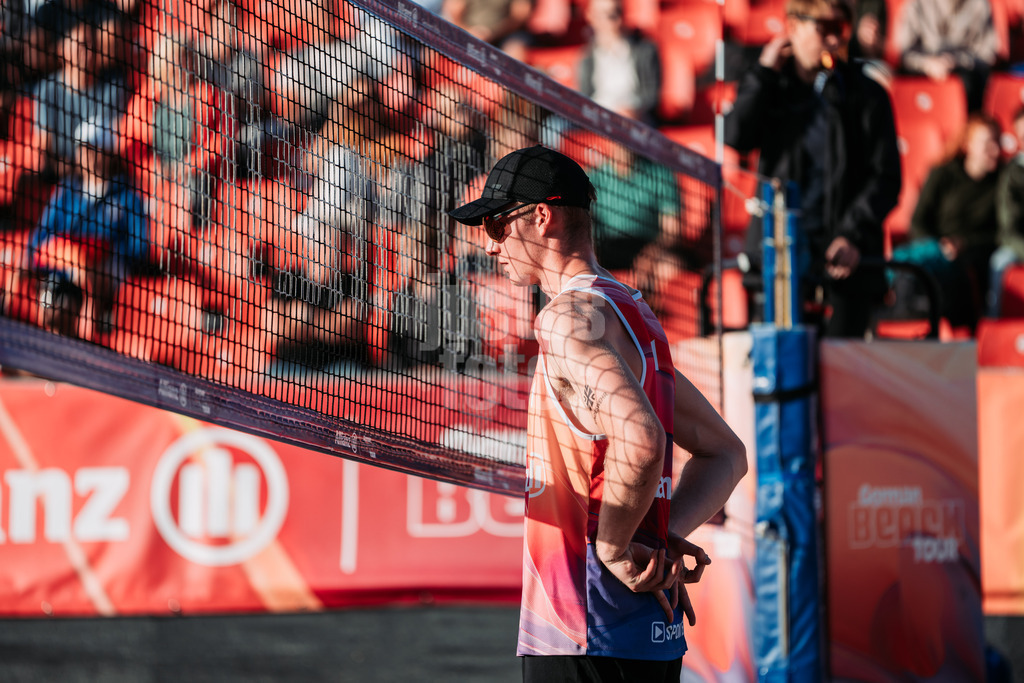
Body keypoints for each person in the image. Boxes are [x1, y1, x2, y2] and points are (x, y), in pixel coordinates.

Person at [447, 145, 747, 680]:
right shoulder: (634, 312)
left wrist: (613, 545)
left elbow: (642, 440)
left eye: (494, 225)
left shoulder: (567, 319)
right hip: (646, 630)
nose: (489, 246)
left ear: (541, 217)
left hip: (585, 627)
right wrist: (658, 536)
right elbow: (726, 453)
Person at [724, 0, 901, 338]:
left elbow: (887, 177)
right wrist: (764, 73)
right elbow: (736, 136)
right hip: (780, 263)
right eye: (826, 29)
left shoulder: (866, 94)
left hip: (845, 269)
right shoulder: (770, 85)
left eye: (842, 30)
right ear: (793, 25)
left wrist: (852, 234)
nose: (835, 40)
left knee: (843, 386)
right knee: (783, 382)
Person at [26, 118, 152, 338]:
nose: (90, 155)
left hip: (107, 273)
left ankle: (91, 338)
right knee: (50, 304)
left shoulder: (128, 197)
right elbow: (38, 240)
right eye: (85, 149)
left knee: (90, 277)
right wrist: (70, 257)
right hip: (63, 270)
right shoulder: (66, 191)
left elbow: (139, 250)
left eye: (96, 149)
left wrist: (100, 255)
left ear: (108, 153)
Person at [894, 113, 1002, 331]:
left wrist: (964, 244)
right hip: (935, 249)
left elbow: (1001, 231)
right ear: (968, 145)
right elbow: (918, 221)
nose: (996, 151)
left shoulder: (1002, 180)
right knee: (918, 261)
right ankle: (903, 317)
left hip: (975, 256)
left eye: (997, 142)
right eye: (988, 144)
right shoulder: (943, 173)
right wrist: (941, 244)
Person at [893, 0, 998, 112]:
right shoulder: (916, 4)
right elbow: (905, 53)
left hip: (965, 72)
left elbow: (988, 54)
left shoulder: (979, 4)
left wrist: (957, 61)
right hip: (923, 70)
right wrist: (927, 64)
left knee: (974, 83)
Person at [577, 0, 662, 125]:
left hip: (635, 118)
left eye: (614, 14)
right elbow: (585, 96)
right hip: (598, 118)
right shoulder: (586, 56)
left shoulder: (645, 50)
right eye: (603, 14)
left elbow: (651, 96)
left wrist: (633, 111)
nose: (610, 20)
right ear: (591, 16)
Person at [989, 106, 1024, 317]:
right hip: (1020, 245)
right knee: (999, 263)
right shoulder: (1012, 174)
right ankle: (994, 326)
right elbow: (1008, 229)